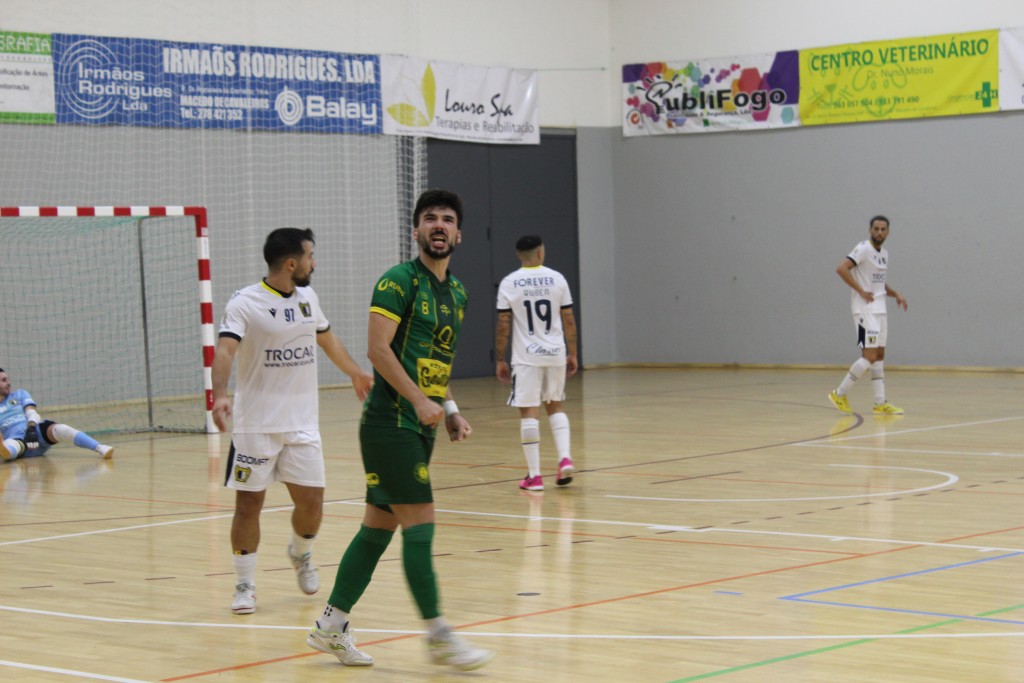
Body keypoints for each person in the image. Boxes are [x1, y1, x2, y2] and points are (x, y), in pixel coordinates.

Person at [306, 189, 494, 671]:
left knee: (378, 526)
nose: (438, 225)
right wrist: (417, 401)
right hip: (390, 423)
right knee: (420, 521)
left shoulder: (458, 293)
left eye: (447, 219)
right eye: (429, 218)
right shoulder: (397, 281)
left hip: (421, 424)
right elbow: (378, 350)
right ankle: (439, 635)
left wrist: (447, 407)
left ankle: (330, 626)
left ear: (458, 234)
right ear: (415, 231)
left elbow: (435, 362)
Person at [211, 227, 373, 616]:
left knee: (313, 505)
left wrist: (355, 373)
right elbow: (225, 351)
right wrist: (218, 395)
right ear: (290, 263)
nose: (313, 263)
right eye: (310, 256)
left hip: (302, 424)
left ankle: (300, 553)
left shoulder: (308, 298)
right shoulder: (244, 303)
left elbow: (328, 340)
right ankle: (245, 584)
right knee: (248, 506)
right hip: (256, 427)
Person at [494, 235, 578, 491]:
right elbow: (568, 320)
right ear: (540, 253)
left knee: (529, 412)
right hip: (554, 354)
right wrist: (572, 352)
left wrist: (499, 358)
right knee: (556, 407)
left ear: (520, 255)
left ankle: (535, 476)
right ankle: (564, 458)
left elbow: (504, 325)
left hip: (526, 357)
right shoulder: (557, 279)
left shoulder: (509, 283)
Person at [828, 215, 908, 415]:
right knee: (869, 356)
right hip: (864, 311)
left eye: (883, 229)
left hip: (880, 310)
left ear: (888, 232)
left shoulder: (884, 254)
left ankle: (880, 403)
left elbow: (878, 284)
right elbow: (841, 268)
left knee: (879, 356)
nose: (879, 232)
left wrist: (895, 294)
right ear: (870, 230)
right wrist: (860, 291)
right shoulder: (863, 248)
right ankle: (839, 393)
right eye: (876, 229)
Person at [1, 367, 115, 462]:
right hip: (17, 441)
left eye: (8, 379)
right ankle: (4, 450)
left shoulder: (19, 394)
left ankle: (100, 447)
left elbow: (31, 412)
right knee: (10, 445)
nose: (9, 383)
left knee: (61, 429)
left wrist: (31, 428)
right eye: (4, 380)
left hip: (36, 434)